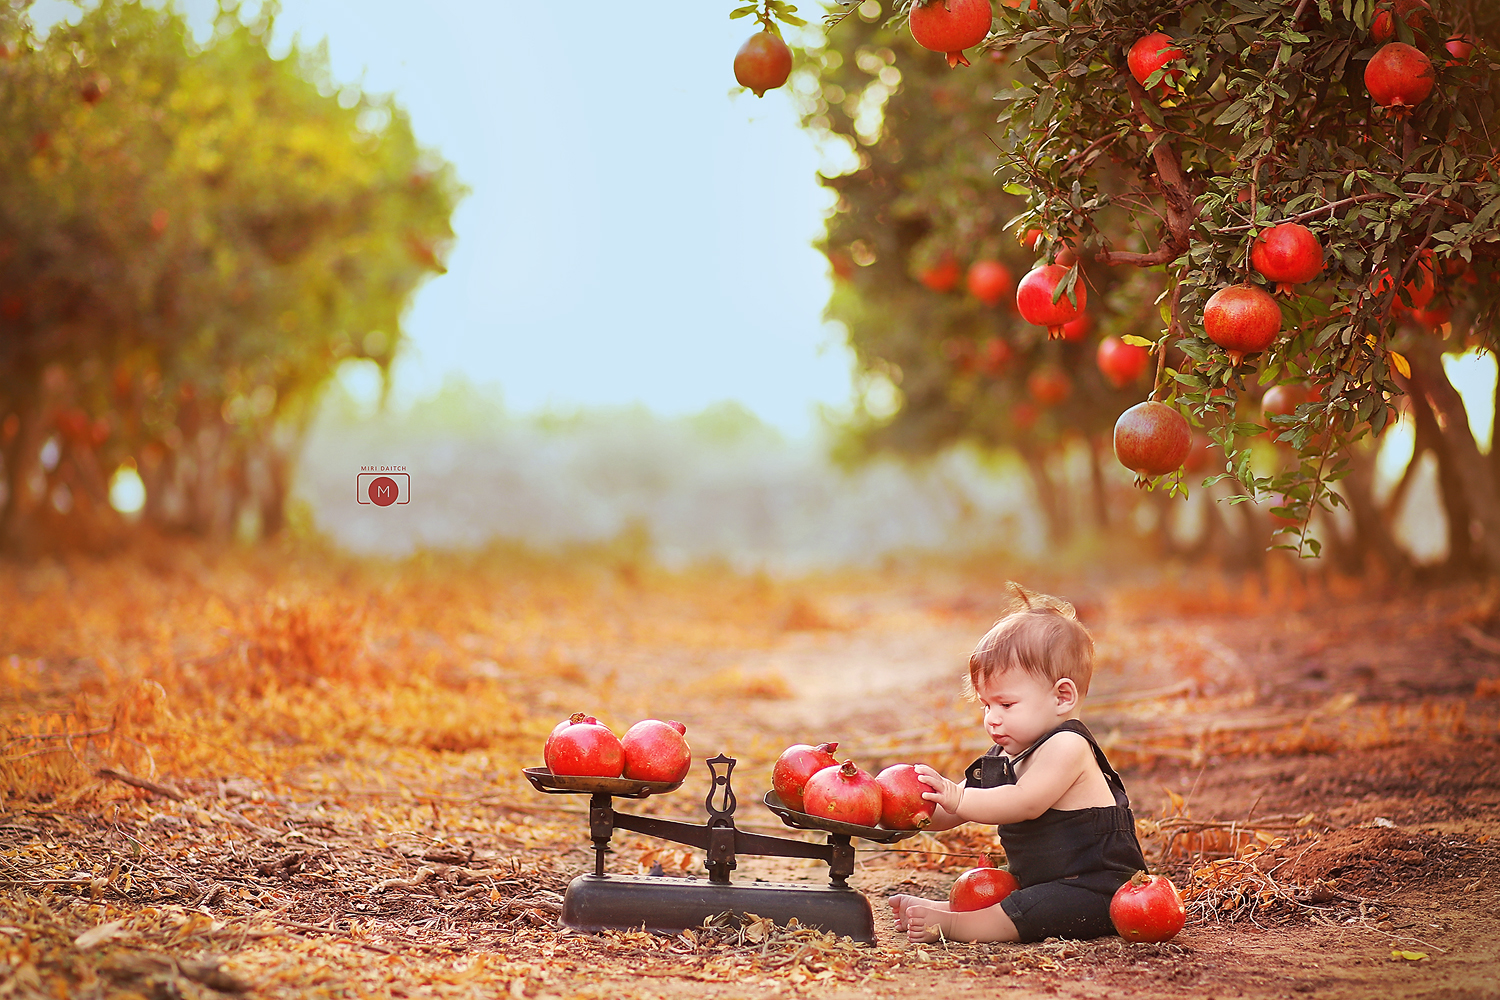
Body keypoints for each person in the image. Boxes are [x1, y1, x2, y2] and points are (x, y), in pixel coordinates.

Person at [889, 585, 1148, 944]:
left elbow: (1025, 803)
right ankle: (946, 909)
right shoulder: (1006, 754)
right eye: (985, 705)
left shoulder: (1068, 746)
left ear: (1062, 697)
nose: (991, 719)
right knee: (1007, 890)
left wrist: (958, 798)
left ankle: (953, 925)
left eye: (1005, 705)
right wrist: (897, 808)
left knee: (1030, 908)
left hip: (1097, 890)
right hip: (1043, 882)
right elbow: (955, 811)